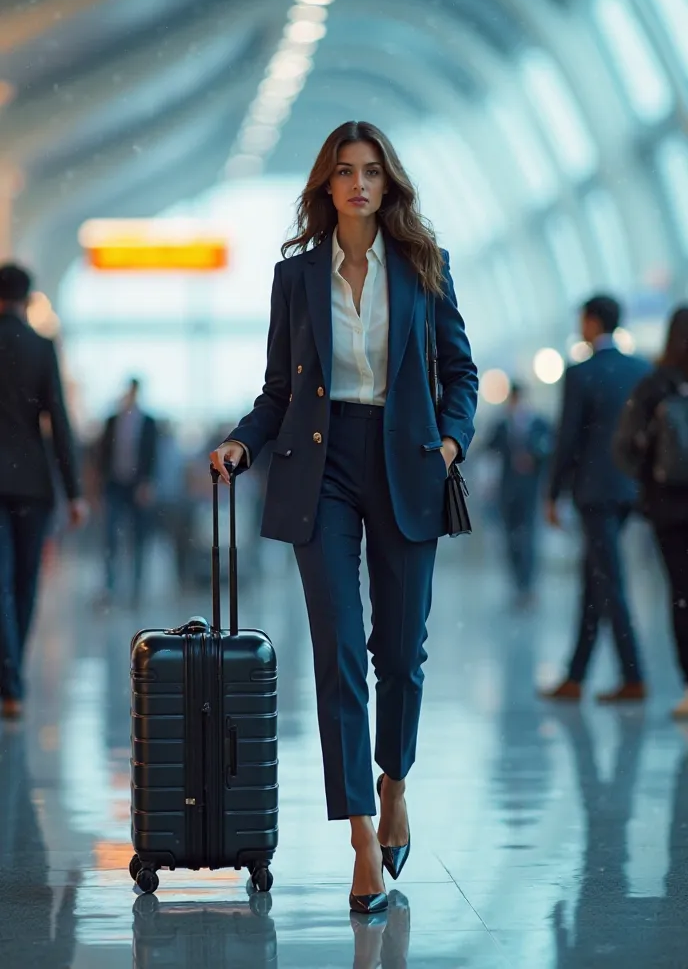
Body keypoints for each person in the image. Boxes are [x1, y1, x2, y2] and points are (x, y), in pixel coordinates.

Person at [210, 121, 478, 913]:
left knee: (400, 651)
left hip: (408, 463)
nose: (358, 184)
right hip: (316, 470)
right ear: (326, 187)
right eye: (343, 172)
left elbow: (460, 370)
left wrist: (451, 445)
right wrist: (240, 443)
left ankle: (395, 779)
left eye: (371, 171)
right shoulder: (294, 278)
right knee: (335, 655)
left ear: (388, 184)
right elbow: (277, 394)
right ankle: (361, 834)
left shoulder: (426, 268)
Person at [543, 294, 651, 703]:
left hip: (593, 490)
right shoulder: (639, 369)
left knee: (610, 582)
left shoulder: (580, 373)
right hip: (629, 490)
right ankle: (576, 677)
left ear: (592, 323)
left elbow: (567, 439)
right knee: (596, 578)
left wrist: (553, 493)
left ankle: (634, 676)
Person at [0, 263, 87, 718]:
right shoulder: (40, 346)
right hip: (33, 484)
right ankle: (12, 680)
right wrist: (74, 493)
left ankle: (9, 680)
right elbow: (59, 422)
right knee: (25, 581)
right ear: (28, 298)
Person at [614, 307, 688, 719]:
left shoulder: (655, 385)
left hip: (669, 507)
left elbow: (624, 447)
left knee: (681, 595)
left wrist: (650, 482)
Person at [485, 382, 552, 608]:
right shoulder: (502, 425)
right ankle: (518, 584)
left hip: (530, 491)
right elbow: (489, 450)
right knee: (511, 539)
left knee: (527, 538)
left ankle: (527, 586)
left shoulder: (539, 424)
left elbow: (549, 450)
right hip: (508, 491)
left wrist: (533, 456)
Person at [98, 378, 158, 606]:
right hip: (115, 485)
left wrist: (147, 483)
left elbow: (152, 454)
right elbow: (103, 453)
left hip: (137, 486)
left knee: (138, 538)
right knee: (111, 538)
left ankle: (136, 590)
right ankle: (110, 588)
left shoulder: (148, 422)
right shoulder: (113, 420)